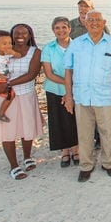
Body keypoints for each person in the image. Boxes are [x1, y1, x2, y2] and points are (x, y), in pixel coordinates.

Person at [64, 10, 111, 183]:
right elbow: (68, 70)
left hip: (105, 97)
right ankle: (86, 165)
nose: (94, 23)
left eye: (97, 20)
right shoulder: (76, 44)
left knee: (107, 132)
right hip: (82, 97)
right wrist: (68, 95)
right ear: (84, 22)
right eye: (90, 20)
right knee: (84, 134)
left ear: (104, 22)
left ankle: (108, 163)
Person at [0, 24, 43, 180]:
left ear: (30, 35)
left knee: (27, 128)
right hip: (4, 97)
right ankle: (13, 165)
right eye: (16, 32)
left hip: (26, 94)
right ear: (11, 35)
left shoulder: (35, 52)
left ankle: (27, 156)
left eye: (24, 32)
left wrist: (7, 83)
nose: (20, 35)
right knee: (8, 131)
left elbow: (31, 74)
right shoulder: (1, 52)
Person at [41, 17, 79, 167]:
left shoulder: (78, 46)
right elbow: (49, 73)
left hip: (77, 88)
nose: (61, 30)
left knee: (74, 120)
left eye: (64, 27)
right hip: (54, 89)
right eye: (57, 28)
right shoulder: (48, 48)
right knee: (58, 121)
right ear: (53, 30)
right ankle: (64, 151)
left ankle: (76, 149)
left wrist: (70, 88)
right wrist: (66, 84)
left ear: (70, 29)